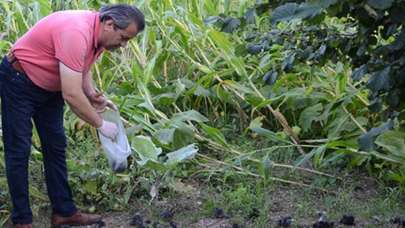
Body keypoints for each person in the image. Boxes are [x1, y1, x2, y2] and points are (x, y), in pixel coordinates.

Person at [0, 4, 145, 228]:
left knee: (56, 146)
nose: (124, 45)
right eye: (124, 38)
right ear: (109, 25)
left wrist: (92, 95)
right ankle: (22, 221)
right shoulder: (76, 32)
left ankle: (64, 212)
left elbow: (80, 66)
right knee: (18, 150)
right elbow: (71, 93)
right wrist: (100, 124)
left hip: (50, 86)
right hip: (20, 80)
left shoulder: (98, 36)